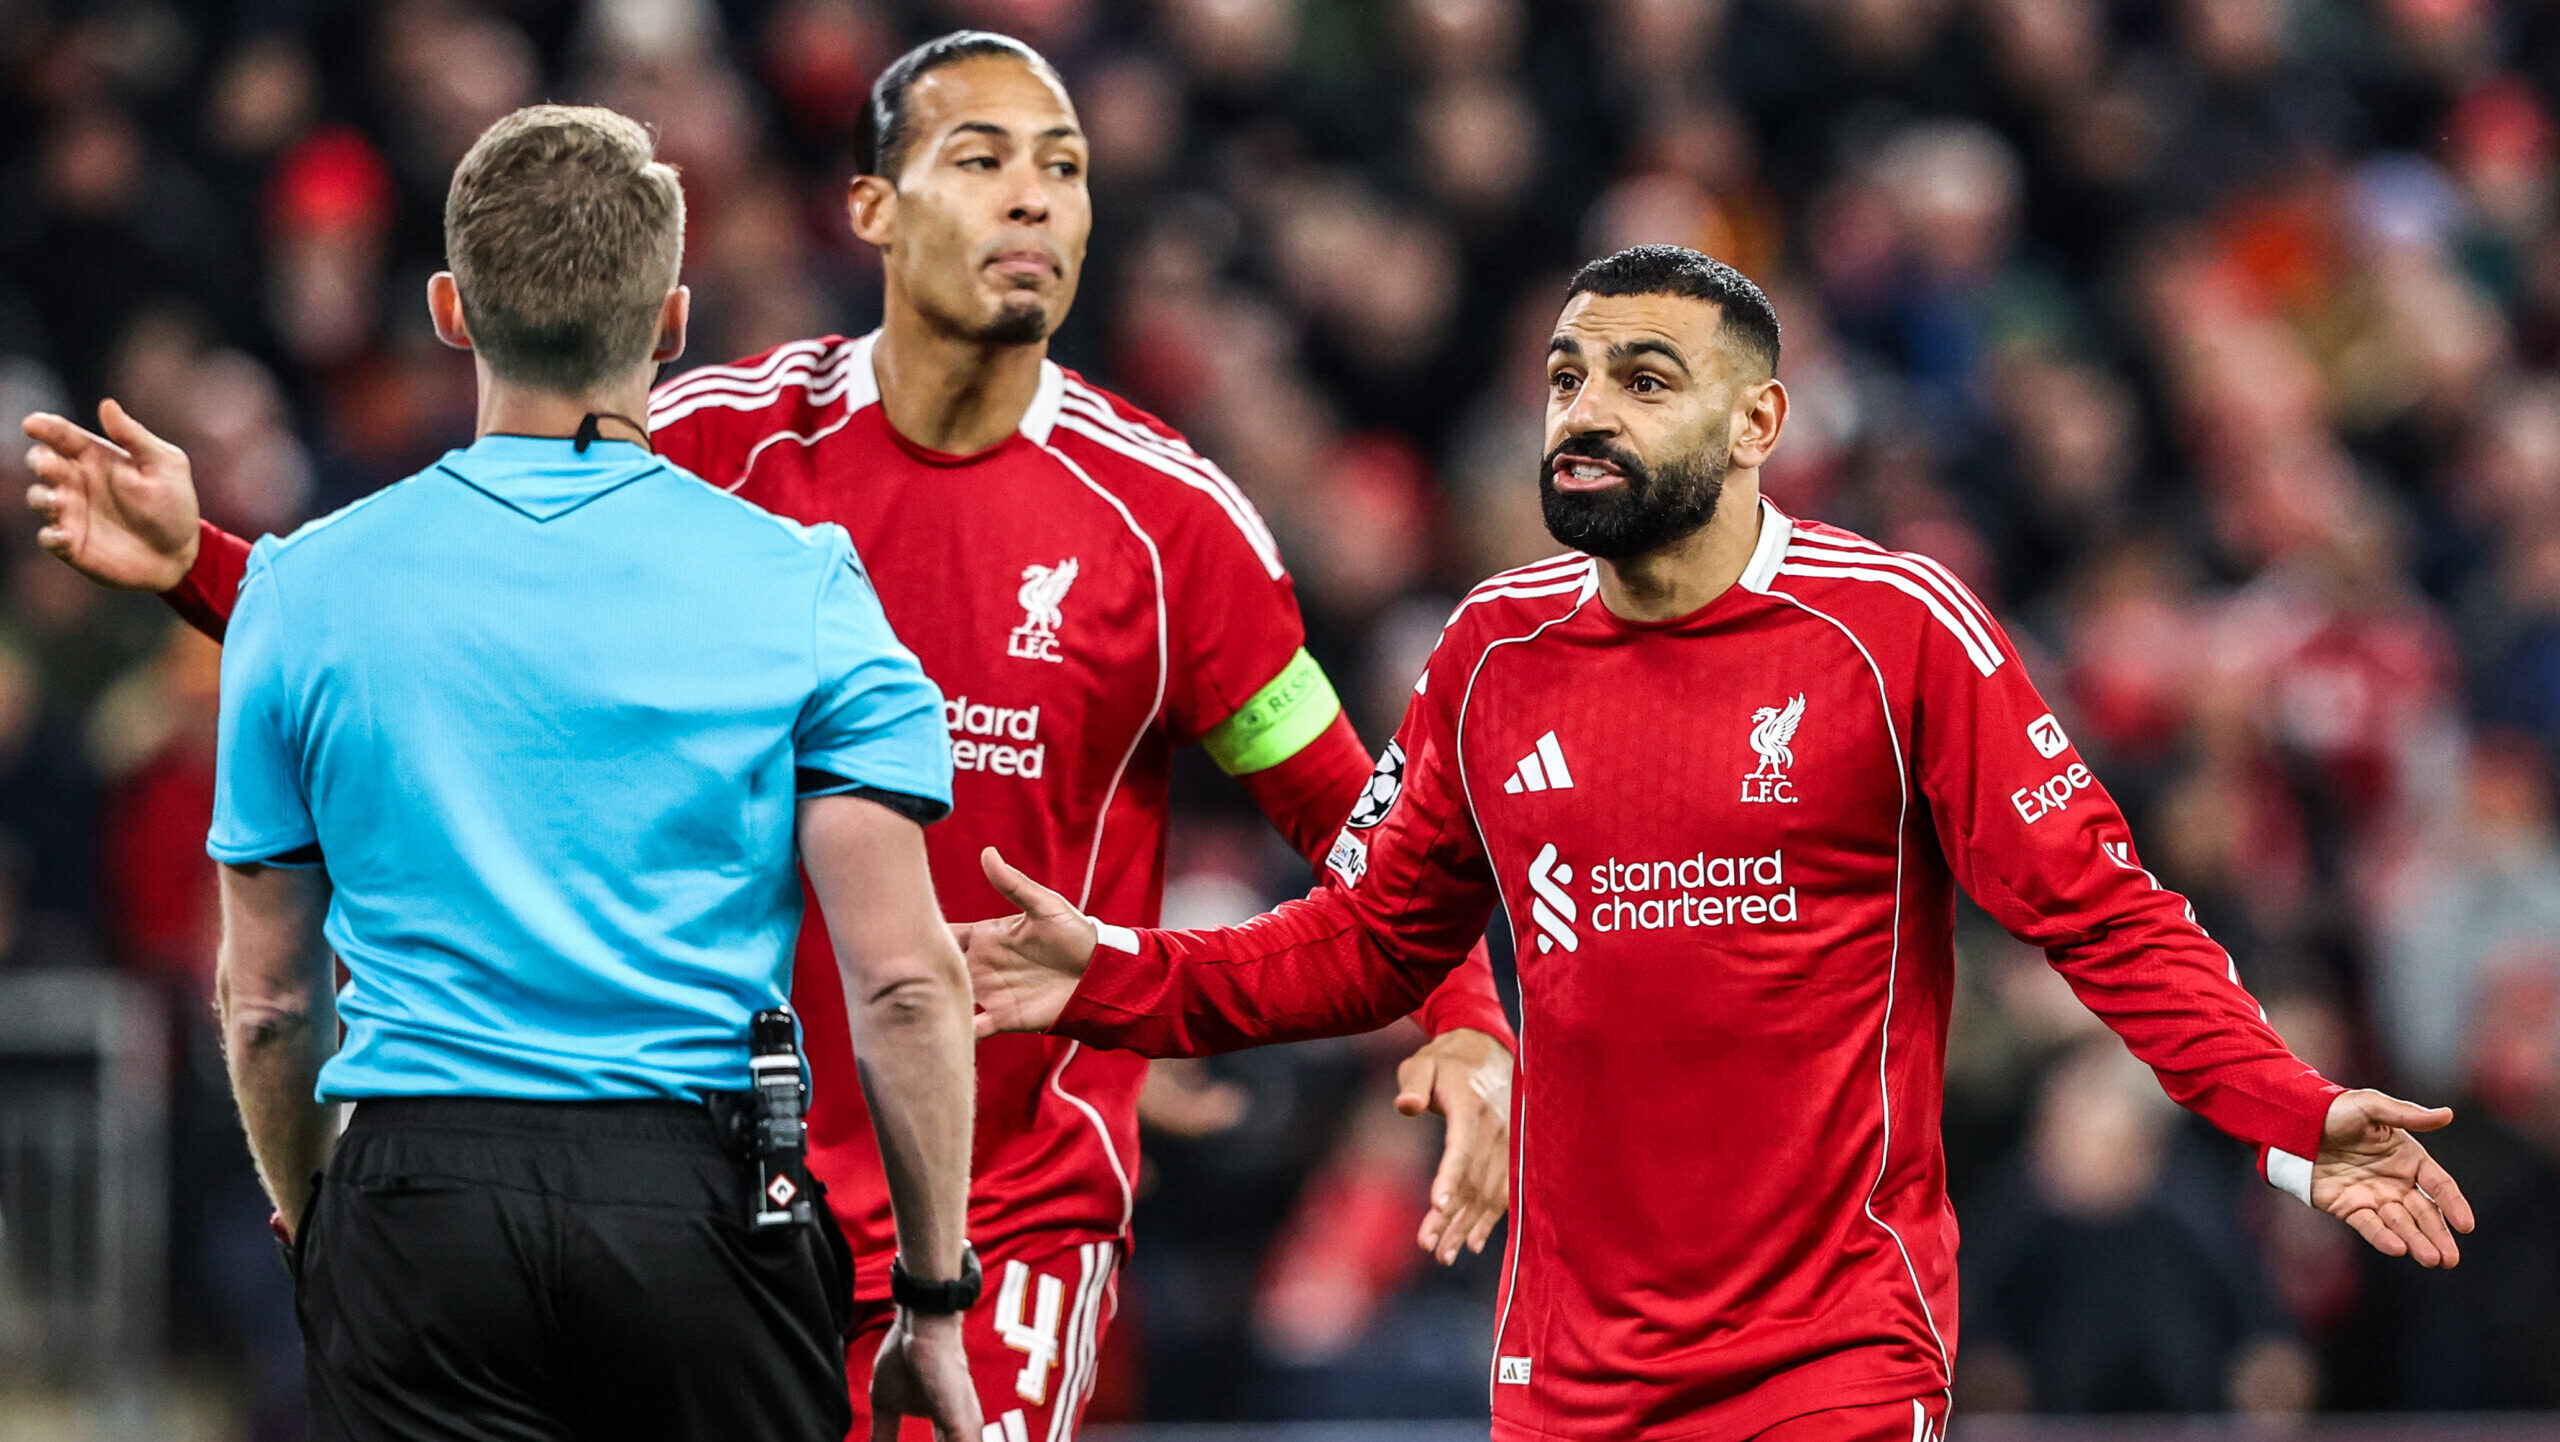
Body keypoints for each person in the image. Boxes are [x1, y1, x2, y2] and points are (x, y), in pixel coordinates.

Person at [22, 31, 1516, 1441]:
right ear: (870, 205)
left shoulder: (1172, 526)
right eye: (983, 157)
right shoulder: (715, 445)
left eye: (1063, 166)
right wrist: (205, 567)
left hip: (1002, 1209)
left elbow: (1354, 812)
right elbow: (435, 605)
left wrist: (1462, 1016)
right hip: (717, 1198)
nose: (1035, 199)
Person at [958, 245, 2479, 1442]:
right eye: (1564, 378)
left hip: (1833, 1347)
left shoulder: (1895, 633)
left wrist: (2288, 1110)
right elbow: (1360, 943)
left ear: (1759, 423)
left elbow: (2105, 915)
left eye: (1642, 377)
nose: (1585, 412)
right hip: (1569, 1369)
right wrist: (1112, 972)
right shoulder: (1490, 649)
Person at [27, 106, 983, 1442]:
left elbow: (264, 1003)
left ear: (447, 311)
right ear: (669, 323)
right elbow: (904, 979)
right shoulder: (803, 589)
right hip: (698, 1203)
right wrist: (933, 1298)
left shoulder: (301, 597)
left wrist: (323, 1228)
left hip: (420, 1205)